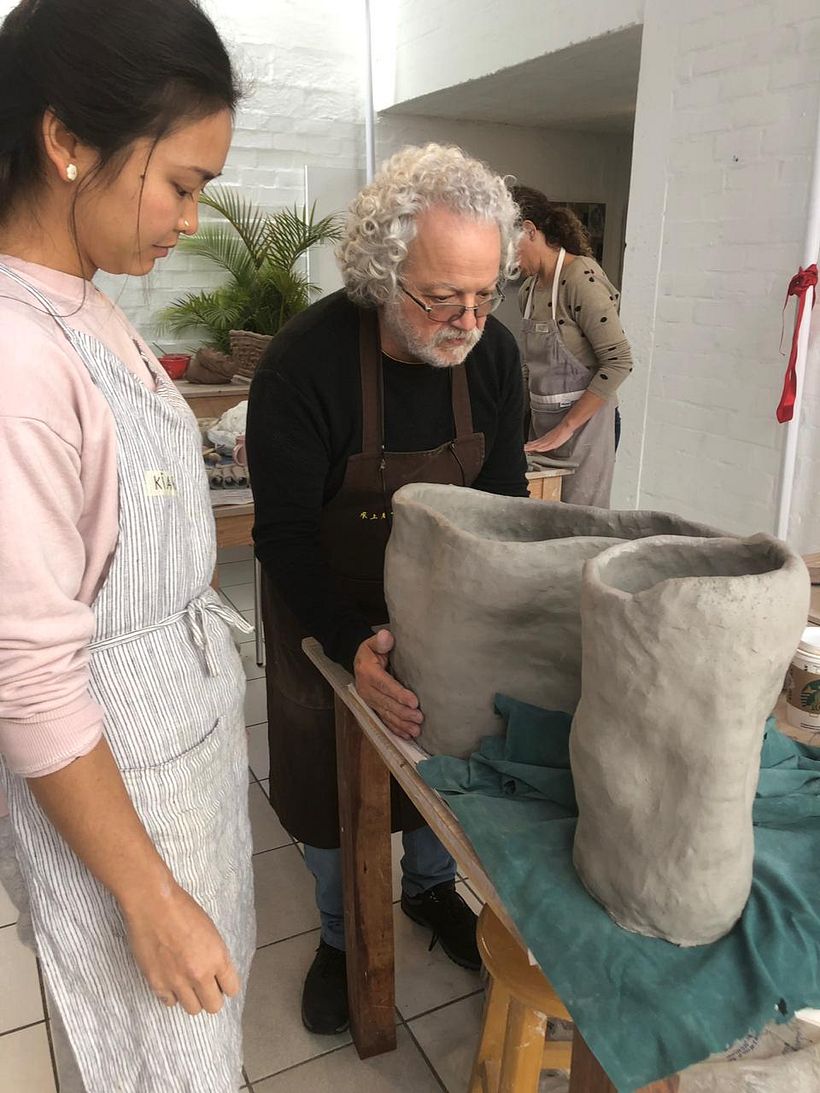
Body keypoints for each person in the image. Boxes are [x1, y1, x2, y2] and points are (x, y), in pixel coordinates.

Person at [0, 2, 255, 1090]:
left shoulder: (84, 306)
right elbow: (27, 675)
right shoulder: (14, 361)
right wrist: (149, 899)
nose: (190, 223)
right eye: (181, 185)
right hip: (121, 797)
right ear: (68, 143)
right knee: (157, 1066)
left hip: (177, 760)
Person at [247, 143, 528, 1036]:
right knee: (336, 786)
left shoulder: (493, 357)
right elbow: (282, 535)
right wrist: (345, 639)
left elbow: (507, 499)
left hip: (443, 615)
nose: (467, 320)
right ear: (379, 271)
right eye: (442, 298)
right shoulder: (303, 366)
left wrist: (500, 611)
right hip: (326, 615)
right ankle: (340, 931)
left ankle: (431, 890)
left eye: (485, 295)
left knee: (441, 764)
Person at [511, 184, 634, 507]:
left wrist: (566, 427)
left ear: (529, 231)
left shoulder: (581, 278)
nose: (506, 261)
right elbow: (532, 369)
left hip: (586, 430)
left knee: (580, 526)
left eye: (507, 249)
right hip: (542, 428)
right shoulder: (528, 291)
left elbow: (619, 362)